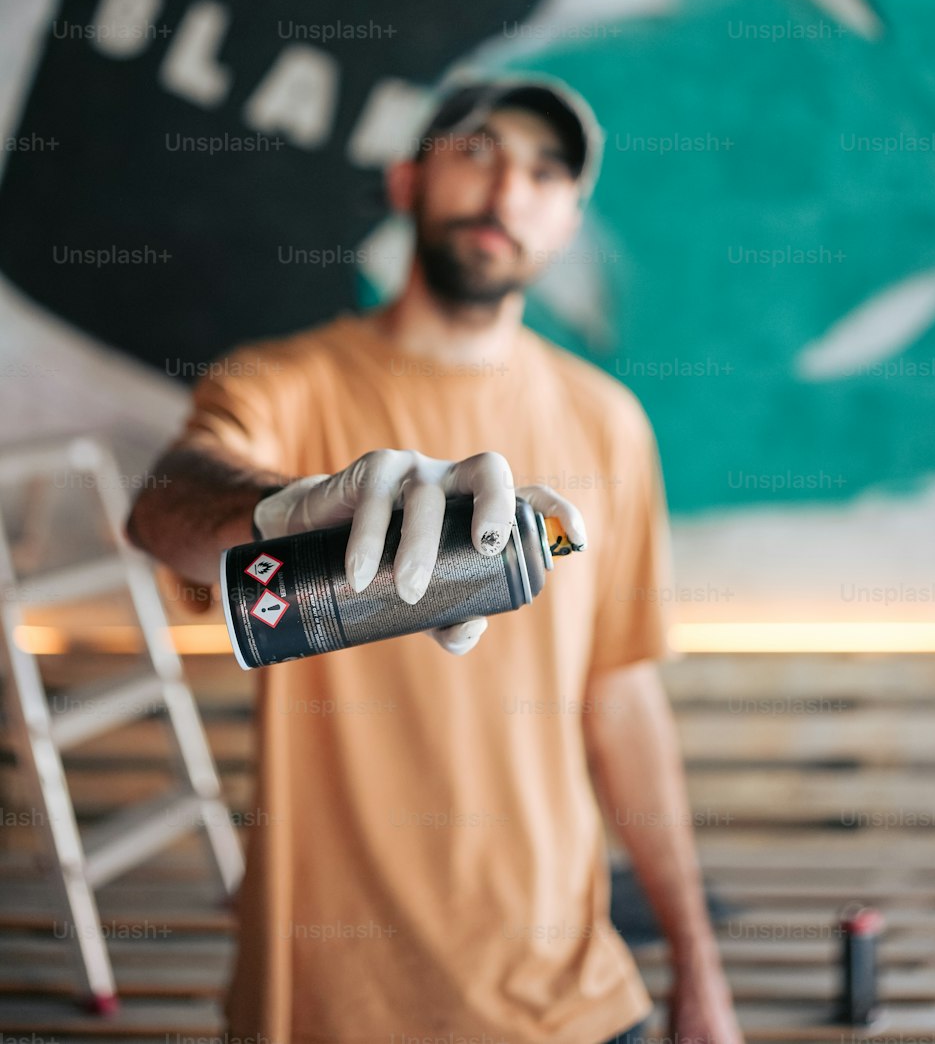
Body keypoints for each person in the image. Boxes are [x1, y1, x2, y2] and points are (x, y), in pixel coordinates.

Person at [128, 76, 743, 1044]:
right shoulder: (280, 384)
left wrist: (698, 970)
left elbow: (621, 697)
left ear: (570, 220)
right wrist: (281, 509)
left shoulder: (609, 424)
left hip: (570, 1000)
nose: (507, 189)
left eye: (544, 172)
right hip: (327, 1006)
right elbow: (163, 511)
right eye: (479, 150)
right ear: (408, 179)